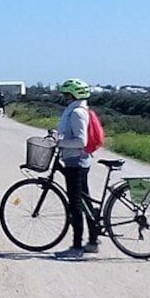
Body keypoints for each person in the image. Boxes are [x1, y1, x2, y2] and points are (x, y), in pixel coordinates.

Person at [54, 78, 99, 259]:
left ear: (74, 95)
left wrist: (60, 142)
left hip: (76, 162)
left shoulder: (77, 113)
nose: (65, 97)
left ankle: (77, 246)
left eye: (67, 94)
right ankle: (93, 241)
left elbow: (81, 141)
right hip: (75, 161)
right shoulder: (76, 110)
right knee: (84, 202)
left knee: (76, 204)